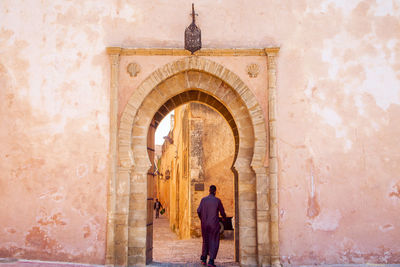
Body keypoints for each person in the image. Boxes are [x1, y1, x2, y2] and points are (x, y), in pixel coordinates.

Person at [197, 185, 226, 267]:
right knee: (214, 241)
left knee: (205, 240)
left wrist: (202, 219)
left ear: (209, 190)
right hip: (214, 224)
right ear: (215, 191)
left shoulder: (203, 200)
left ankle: (203, 259)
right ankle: (211, 261)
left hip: (204, 224)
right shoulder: (217, 201)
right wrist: (224, 218)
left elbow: (198, 211)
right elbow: (222, 212)